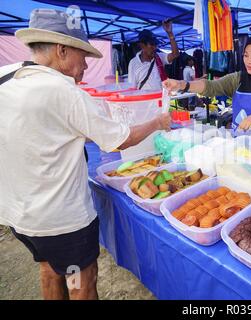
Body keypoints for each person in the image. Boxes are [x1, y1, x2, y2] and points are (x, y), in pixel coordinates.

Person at [0, 9, 171, 300]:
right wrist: (157, 121)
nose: (85, 67)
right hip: (62, 219)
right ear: (62, 50)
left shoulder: (6, 77)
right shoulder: (65, 92)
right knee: (81, 280)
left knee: (49, 270)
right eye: (83, 57)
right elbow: (121, 139)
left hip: (19, 215)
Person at [162, 34, 251, 131]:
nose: (248, 61)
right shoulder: (237, 79)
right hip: (237, 143)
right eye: (246, 55)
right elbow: (211, 86)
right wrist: (181, 84)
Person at [128, 21, 179, 91]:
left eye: (155, 44)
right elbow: (132, 87)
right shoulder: (133, 63)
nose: (155, 48)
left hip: (160, 100)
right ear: (142, 45)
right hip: (145, 101)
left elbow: (175, 54)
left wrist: (170, 34)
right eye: (151, 44)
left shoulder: (159, 57)